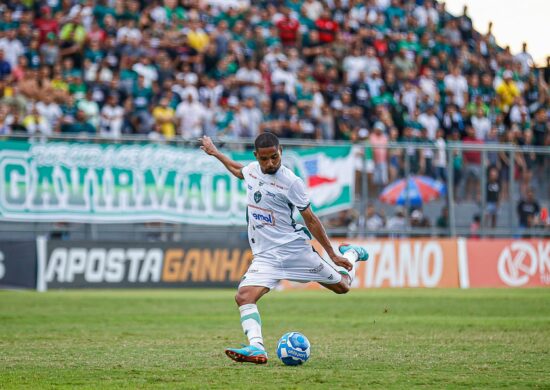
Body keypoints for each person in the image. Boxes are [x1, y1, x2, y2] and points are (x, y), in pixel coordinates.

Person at [199, 133, 369, 364]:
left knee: (343, 286)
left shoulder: (291, 182)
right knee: (244, 296)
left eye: (274, 157)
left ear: (281, 152)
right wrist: (216, 153)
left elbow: (310, 219)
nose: (270, 163)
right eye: (265, 159)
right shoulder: (252, 171)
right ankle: (257, 347)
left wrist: (333, 254)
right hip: (266, 256)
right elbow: (239, 171)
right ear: (256, 157)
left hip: (295, 251)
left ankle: (352, 253)